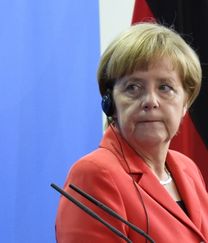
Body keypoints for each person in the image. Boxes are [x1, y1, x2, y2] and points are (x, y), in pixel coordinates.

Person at [55, 23, 208, 242]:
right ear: (111, 104)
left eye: (165, 87)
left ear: (185, 102)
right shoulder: (94, 174)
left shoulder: (187, 169)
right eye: (133, 87)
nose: (150, 101)